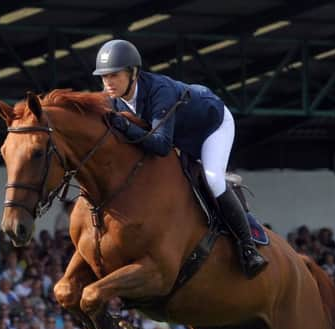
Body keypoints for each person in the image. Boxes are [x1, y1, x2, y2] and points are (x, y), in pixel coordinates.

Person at [92, 39, 267, 279]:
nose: (108, 83)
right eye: (104, 77)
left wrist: (125, 126)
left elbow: (161, 146)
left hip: (211, 127)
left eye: (114, 75)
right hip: (179, 135)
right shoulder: (112, 98)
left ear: (132, 73)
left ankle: (248, 248)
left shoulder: (158, 91)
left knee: (213, 179)